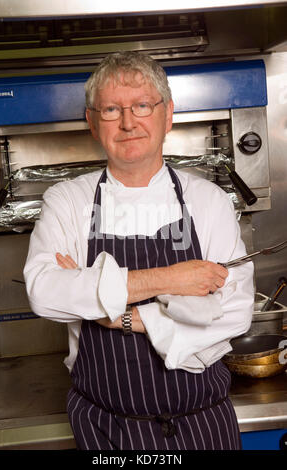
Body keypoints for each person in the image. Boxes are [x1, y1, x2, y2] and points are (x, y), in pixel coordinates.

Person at [23, 51, 254, 450]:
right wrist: (172, 280)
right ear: (92, 123)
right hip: (106, 430)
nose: (128, 122)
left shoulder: (207, 199)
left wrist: (124, 315)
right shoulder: (68, 200)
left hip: (203, 425)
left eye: (142, 105)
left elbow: (234, 312)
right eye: (111, 109)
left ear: (168, 115)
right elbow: (45, 293)